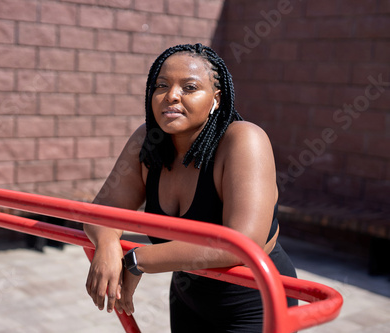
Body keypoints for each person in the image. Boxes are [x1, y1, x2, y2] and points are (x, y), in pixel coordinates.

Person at [83, 43, 297, 332]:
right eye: (161, 85)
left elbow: (242, 243)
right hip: (188, 298)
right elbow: (102, 211)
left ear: (216, 100)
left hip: (256, 302)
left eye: (189, 87)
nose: (171, 96)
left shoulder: (244, 141)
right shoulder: (148, 140)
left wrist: (136, 259)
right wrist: (108, 245)